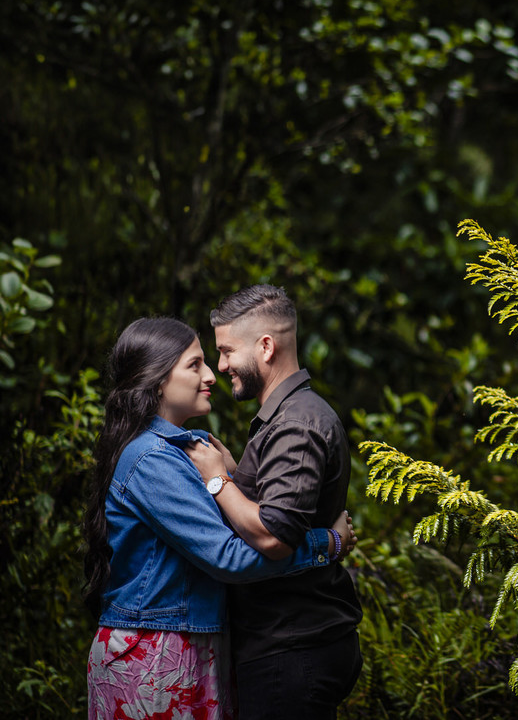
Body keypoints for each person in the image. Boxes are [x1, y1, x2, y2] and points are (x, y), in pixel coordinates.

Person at [82, 317, 356, 720]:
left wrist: (229, 478)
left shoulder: (182, 451)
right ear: (157, 380)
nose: (212, 374)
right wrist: (325, 544)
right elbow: (230, 558)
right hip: (156, 653)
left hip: (186, 646)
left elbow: (224, 536)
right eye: (195, 365)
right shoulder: (152, 459)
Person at [187, 284, 363, 720]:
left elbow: (272, 536)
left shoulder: (297, 425)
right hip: (290, 644)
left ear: (266, 347)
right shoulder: (285, 419)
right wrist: (233, 473)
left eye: (227, 351)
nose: (221, 365)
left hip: (292, 647)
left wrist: (217, 481)